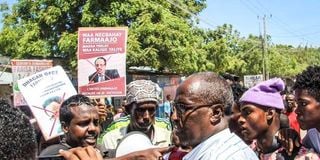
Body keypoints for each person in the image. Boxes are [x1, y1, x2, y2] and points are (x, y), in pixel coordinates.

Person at [171, 72, 258, 160]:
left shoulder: (226, 156)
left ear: (215, 113)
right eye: (174, 107)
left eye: (182, 108)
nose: (174, 117)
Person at [99, 80, 172, 158]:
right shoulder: (111, 140)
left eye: (151, 110)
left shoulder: (168, 138)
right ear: (128, 110)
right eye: (140, 110)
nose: (147, 116)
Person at [293, 65, 320, 154]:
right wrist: (291, 137)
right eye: (297, 103)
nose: (296, 111)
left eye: (303, 104)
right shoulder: (313, 135)